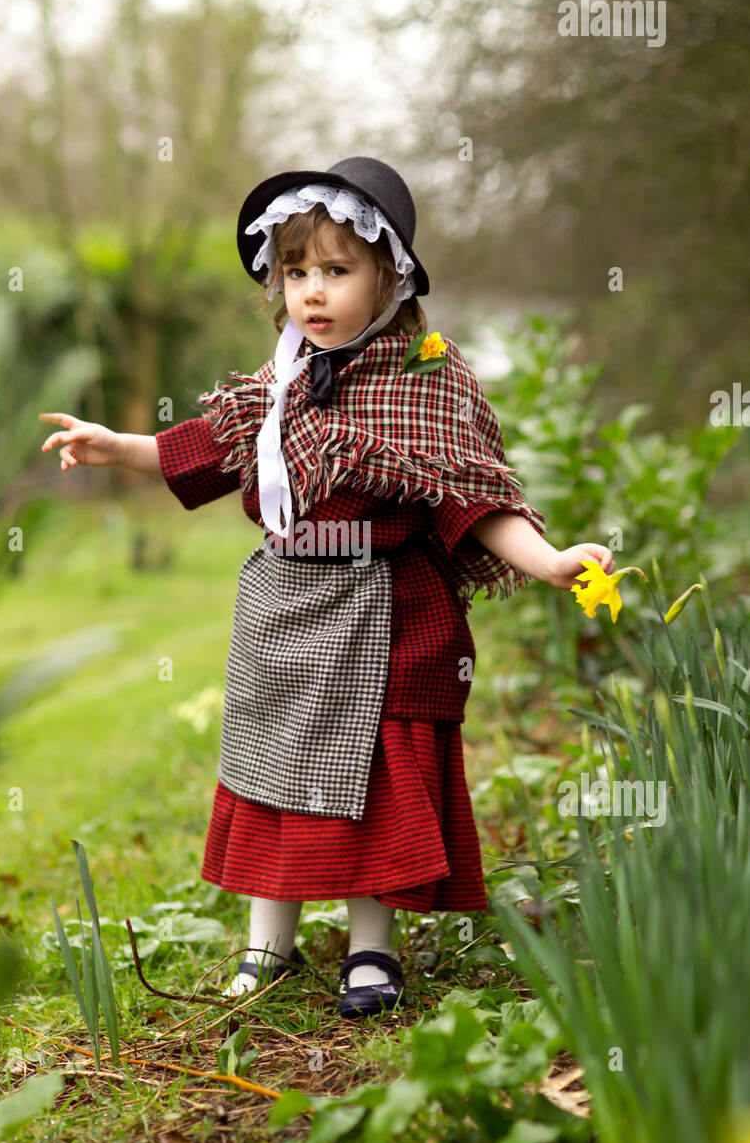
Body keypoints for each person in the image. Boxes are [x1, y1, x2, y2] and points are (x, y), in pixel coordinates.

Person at [39, 156, 615, 1018]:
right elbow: (200, 444)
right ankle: (265, 944)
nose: (311, 291)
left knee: (375, 779)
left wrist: (549, 559)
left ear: (390, 276)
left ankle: (370, 952)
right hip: (286, 609)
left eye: (336, 271)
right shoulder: (281, 385)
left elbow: (475, 496)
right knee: (273, 765)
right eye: (296, 272)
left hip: (388, 611)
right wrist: (115, 444)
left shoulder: (426, 378)